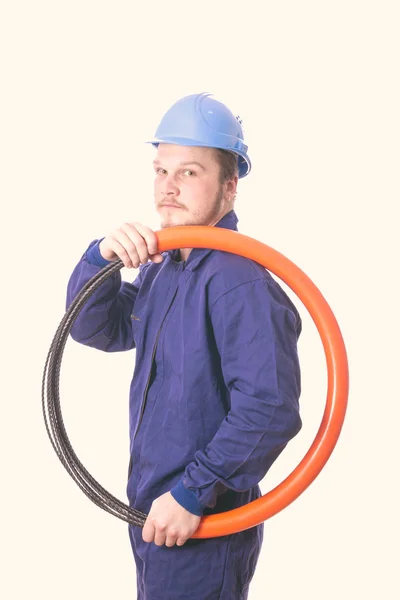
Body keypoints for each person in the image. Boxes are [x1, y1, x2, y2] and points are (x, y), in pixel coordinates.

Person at [66, 92, 302, 599]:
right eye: (160, 170)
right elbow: (97, 328)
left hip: (199, 521)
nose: (167, 188)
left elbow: (270, 406)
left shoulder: (237, 281)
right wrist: (100, 259)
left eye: (190, 173)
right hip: (158, 511)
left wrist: (195, 491)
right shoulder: (167, 269)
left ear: (230, 186)